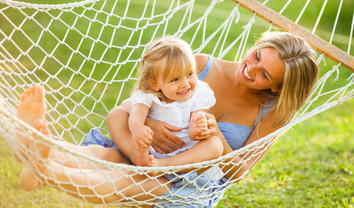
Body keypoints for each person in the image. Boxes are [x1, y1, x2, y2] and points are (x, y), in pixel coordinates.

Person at [15, 31, 319, 206]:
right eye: (256, 56)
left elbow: (237, 173)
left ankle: (43, 167)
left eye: (263, 73)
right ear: (258, 45)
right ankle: (44, 150)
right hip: (144, 148)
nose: (249, 68)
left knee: (137, 182)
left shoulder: (274, 113)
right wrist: (151, 124)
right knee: (106, 153)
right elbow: (134, 103)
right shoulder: (200, 65)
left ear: (278, 87)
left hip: (187, 181)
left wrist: (216, 134)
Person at [106, 36, 223, 167]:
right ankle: (137, 157)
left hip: (186, 153)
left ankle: (162, 165)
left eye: (190, 74)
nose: (185, 84)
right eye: (174, 80)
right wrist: (137, 128)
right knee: (115, 115)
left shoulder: (199, 93)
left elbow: (193, 133)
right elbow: (137, 114)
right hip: (148, 148)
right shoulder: (149, 94)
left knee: (215, 145)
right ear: (155, 84)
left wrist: (198, 127)